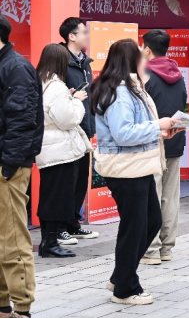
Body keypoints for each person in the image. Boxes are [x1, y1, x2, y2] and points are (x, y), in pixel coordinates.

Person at [90, 39, 180, 305]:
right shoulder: (120, 92)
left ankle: (121, 275)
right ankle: (126, 288)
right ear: (131, 61)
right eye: (141, 57)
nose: (145, 61)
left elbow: (136, 127)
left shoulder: (131, 88)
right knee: (136, 226)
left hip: (137, 166)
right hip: (125, 168)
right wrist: (157, 126)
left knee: (150, 222)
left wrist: (161, 130)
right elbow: (123, 133)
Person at [0, 16, 42, 318]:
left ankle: (22, 307)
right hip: (6, 161)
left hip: (8, 165)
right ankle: (3, 303)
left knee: (12, 238)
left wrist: (9, 165)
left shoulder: (15, 68)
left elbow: (22, 122)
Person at [36, 44, 91, 259]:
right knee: (58, 198)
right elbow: (68, 120)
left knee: (49, 196)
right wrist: (76, 101)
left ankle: (47, 242)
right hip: (59, 149)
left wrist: (67, 99)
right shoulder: (56, 86)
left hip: (47, 148)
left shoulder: (40, 81)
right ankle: (50, 242)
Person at [140, 30, 188, 265]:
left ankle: (150, 250)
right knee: (170, 198)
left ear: (147, 49)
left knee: (153, 197)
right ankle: (166, 249)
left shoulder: (145, 75)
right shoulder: (178, 74)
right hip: (176, 141)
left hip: (152, 142)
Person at [58, 17, 99, 243]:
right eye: (83, 32)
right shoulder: (61, 61)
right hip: (68, 130)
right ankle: (61, 227)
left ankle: (74, 223)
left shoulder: (85, 63)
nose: (87, 36)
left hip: (85, 129)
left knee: (80, 179)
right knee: (67, 181)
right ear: (71, 36)